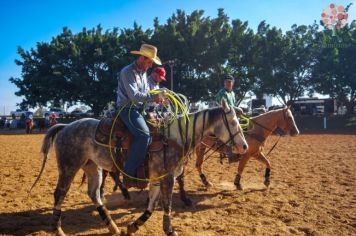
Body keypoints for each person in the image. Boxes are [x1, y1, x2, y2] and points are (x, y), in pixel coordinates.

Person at [116, 43, 166, 187]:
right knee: (144, 136)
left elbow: (146, 93)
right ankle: (128, 173)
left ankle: (145, 167)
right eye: (150, 62)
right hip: (127, 109)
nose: (150, 66)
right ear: (142, 58)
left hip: (140, 110)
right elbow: (135, 96)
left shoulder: (143, 73)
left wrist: (159, 94)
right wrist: (154, 97)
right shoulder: (127, 71)